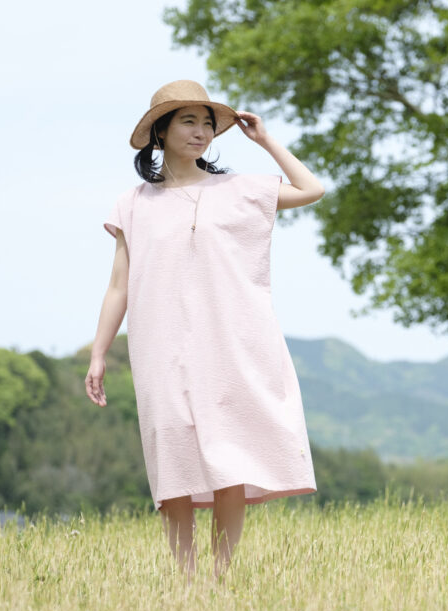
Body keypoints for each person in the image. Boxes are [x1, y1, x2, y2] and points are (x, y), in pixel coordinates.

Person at [84, 80, 324, 580]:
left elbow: (311, 189)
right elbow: (117, 286)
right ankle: (186, 581)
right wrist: (99, 353)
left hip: (232, 341)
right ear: (160, 132)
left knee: (229, 458)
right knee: (172, 460)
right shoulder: (133, 203)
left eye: (207, 123)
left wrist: (265, 141)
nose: (201, 132)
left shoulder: (241, 189)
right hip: (159, 345)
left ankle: (220, 578)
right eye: (188, 121)